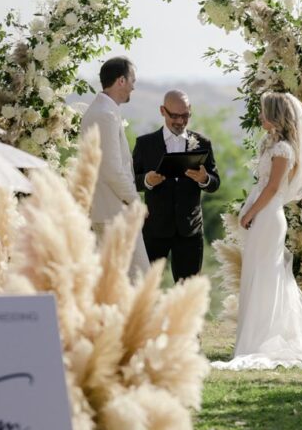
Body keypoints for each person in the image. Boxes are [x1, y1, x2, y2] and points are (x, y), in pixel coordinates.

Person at [212, 91, 302, 371]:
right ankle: (255, 337)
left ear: (274, 115)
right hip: (263, 216)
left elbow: (273, 188)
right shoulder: (273, 144)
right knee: (259, 273)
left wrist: (251, 212)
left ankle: (263, 339)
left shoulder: (283, 150)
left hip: (268, 217)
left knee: (267, 275)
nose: (260, 116)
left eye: (264, 111)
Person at [132, 90, 220, 281]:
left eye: (185, 116)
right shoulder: (145, 144)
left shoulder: (203, 143)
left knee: (187, 294)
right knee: (145, 289)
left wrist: (204, 179)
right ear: (162, 111)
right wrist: (147, 180)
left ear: (190, 112)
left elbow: (214, 183)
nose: (180, 121)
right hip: (155, 230)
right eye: (174, 116)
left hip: (190, 232)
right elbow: (131, 181)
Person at [79, 57, 149, 277]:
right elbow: (112, 169)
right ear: (121, 81)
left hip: (108, 209)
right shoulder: (105, 114)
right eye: (132, 80)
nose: (133, 86)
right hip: (114, 211)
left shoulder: (101, 111)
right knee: (139, 279)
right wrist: (135, 201)